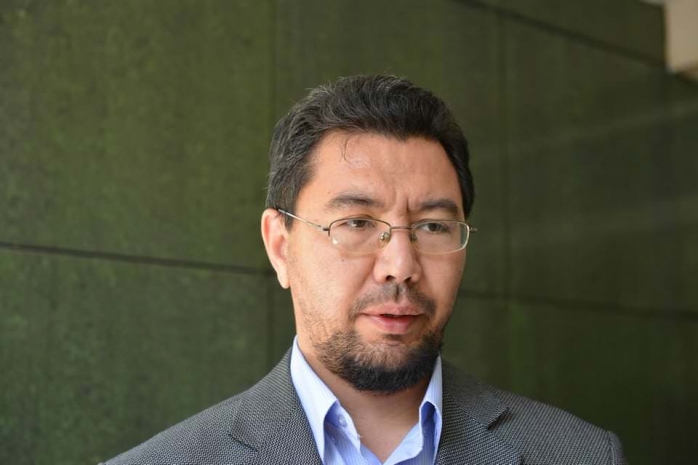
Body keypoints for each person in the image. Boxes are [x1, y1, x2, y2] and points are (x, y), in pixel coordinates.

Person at [102, 75, 627, 464]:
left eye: (433, 226)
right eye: (356, 223)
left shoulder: (580, 455)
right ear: (280, 246)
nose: (400, 266)